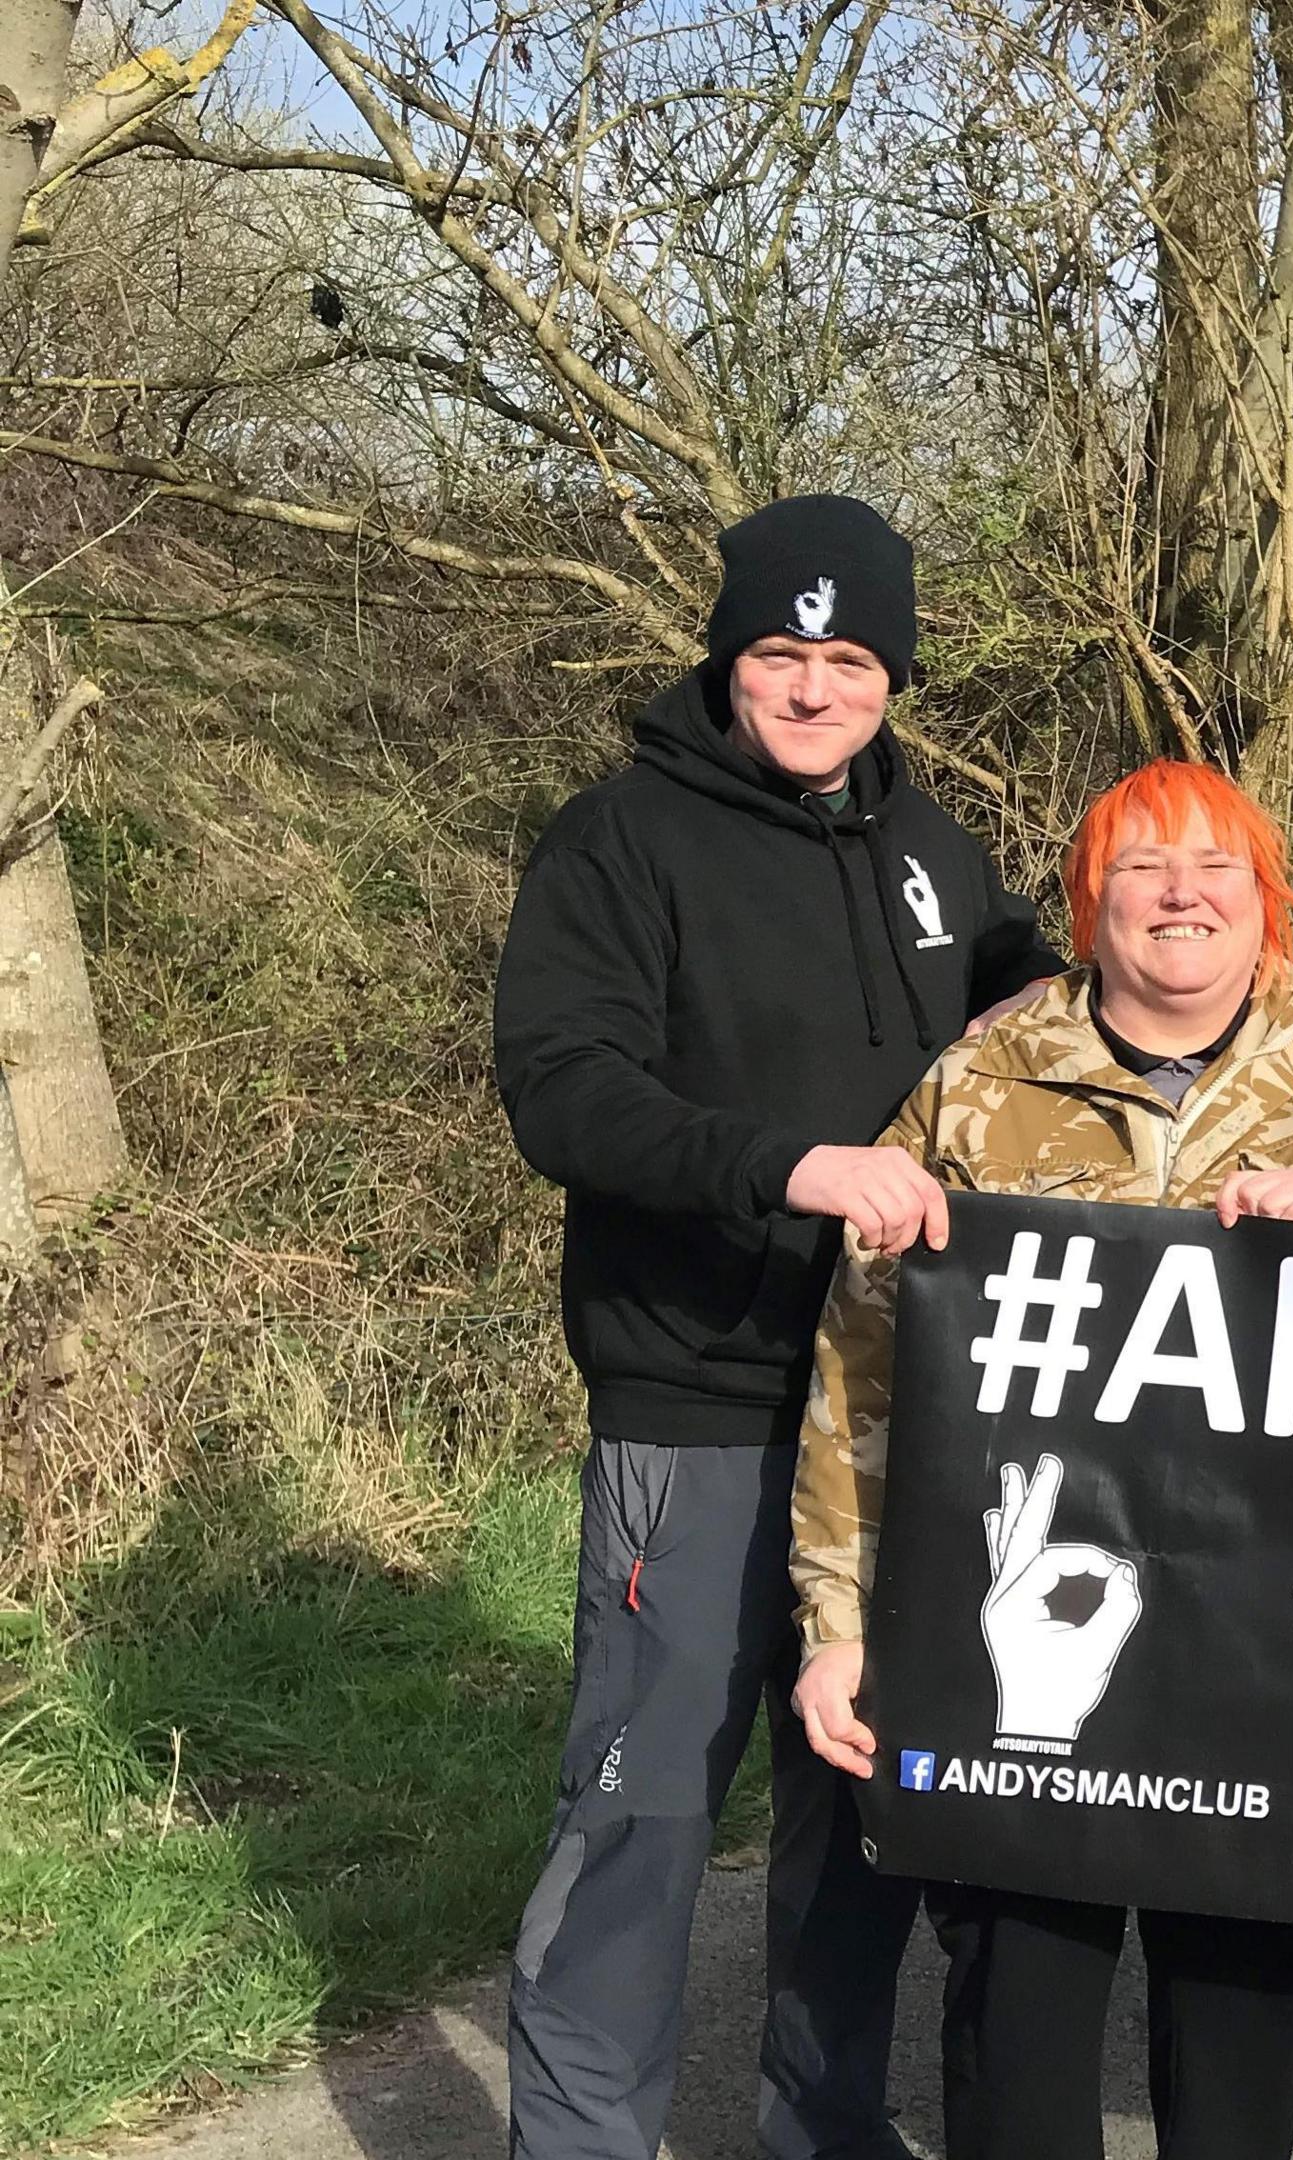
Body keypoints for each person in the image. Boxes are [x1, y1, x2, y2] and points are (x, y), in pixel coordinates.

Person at [784, 757, 1293, 2160]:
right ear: (1089, 901)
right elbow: (861, 1367)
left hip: (1262, 1649)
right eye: (1141, 867)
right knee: (1018, 2020)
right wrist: (839, 1621)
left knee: (1236, 2023)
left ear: (1269, 902)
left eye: (1216, 868)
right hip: (1014, 1635)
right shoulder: (983, 1080)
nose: (1180, 895)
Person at [492, 495, 1061, 2160]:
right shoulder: (620, 841)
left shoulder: (933, 855)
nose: (814, 691)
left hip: (896, 1418)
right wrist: (787, 1169)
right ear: (730, 657)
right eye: (780, 654)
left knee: (860, 1820)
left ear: (896, 669)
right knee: (647, 1817)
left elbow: (1052, 1018)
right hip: (702, 1405)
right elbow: (564, 1092)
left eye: (850, 659)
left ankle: (822, 2129)